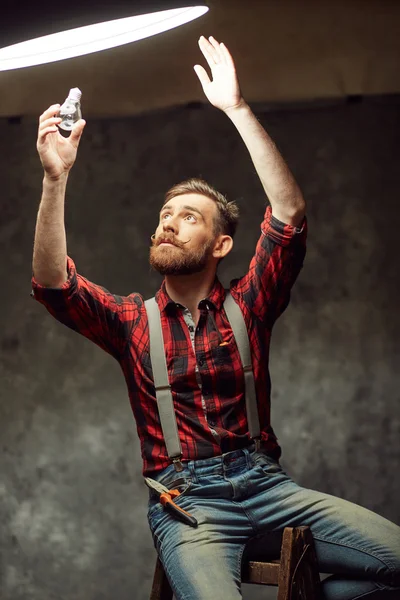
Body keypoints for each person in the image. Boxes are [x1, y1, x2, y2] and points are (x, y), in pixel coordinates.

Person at [32, 36, 399, 600]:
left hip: (267, 486)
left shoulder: (249, 305)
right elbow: (54, 284)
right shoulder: (132, 321)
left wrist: (237, 109)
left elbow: (289, 215)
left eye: (189, 217)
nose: (169, 224)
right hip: (187, 504)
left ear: (223, 243)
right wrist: (55, 179)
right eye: (164, 216)